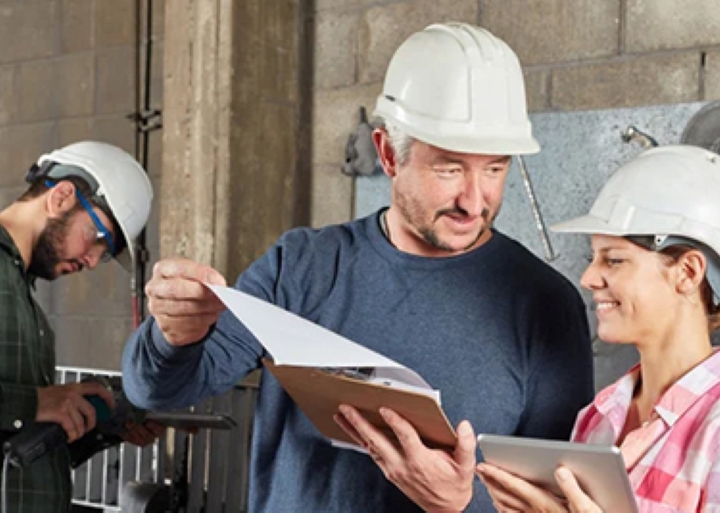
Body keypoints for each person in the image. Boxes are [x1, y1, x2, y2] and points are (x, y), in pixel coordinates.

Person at [121, 22, 594, 512]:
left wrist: (461, 504)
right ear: (389, 153)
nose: (474, 202)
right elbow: (158, 390)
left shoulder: (546, 305)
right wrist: (172, 335)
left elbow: (557, 501)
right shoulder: (302, 266)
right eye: (449, 168)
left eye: (495, 168)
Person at [477, 145, 720, 512]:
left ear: (687, 273)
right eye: (593, 258)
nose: (587, 278)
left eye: (613, 260)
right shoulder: (598, 416)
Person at [0, 141, 158, 512]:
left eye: (103, 256)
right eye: (98, 239)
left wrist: (99, 425)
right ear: (62, 196)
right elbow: (24, 410)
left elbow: (18, 450)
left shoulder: (26, 303)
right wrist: (34, 402)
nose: (91, 260)